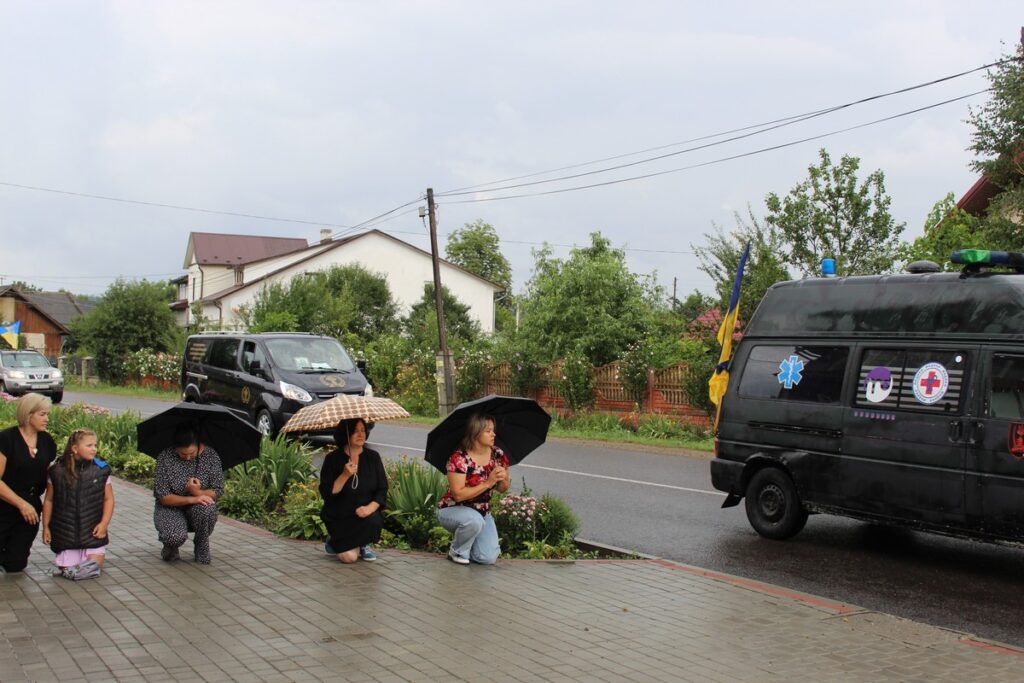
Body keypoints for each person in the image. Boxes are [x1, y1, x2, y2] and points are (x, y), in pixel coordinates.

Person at [436, 413, 510, 565]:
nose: (493, 434)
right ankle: (456, 551)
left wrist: (504, 479)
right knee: (473, 521)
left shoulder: (497, 454)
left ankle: (468, 545)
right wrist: (488, 483)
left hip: (482, 512)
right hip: (453, 510)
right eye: (488, 431)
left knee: (487, 558)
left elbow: (502, 489)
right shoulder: (459, 458)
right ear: (476, 433)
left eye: (493, 430)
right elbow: (458, 495)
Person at [42, 428, 115, 580]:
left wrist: (104, 524)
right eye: (89, 445)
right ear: (75, 448)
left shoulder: (101, 470)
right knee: (70, 570)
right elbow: (49, 500)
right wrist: (46, 527)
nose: (94, 449)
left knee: (93, 567)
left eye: (95, 445)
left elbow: (109, 499)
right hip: (64, 533)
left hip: (92, 533)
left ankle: (81, 565)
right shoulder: (56, 471)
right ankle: (69, 566)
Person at [0, 393, 57, 573]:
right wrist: (21, 504)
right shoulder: (6, 439)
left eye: (47, 414)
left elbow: (49, 477)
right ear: (27, 414)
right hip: (5, 503)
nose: (46, 419)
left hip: (31, 506)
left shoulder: (47, 441)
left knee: (16, 564)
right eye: (42, 414)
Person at [153, 423, 223, 564]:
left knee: (208, 509)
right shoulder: (165, 458)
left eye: (191, 453)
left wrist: (198, 492)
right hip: (170, 508)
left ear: (198, 444)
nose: (187, 458)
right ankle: (170, 546)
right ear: (175, 448)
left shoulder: (211, 456)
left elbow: (218, 490)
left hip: (197, 510)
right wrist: (193, 499)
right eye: (182, 454)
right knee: (174, 536)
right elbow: (164, 497)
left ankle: (201, 543)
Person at [319, 418, 387, 563]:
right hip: (340, 516)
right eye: (355, 431)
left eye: (363, 430)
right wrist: (344, 475)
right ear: (345, 434)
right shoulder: (332, 459)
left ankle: (364, 543)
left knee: (373, 520)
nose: (360, 434)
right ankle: (334, 540)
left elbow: (382, 489)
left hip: (364, 516)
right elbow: (327, 493)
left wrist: (370, 508)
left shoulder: (373, 458)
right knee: (349, 558)